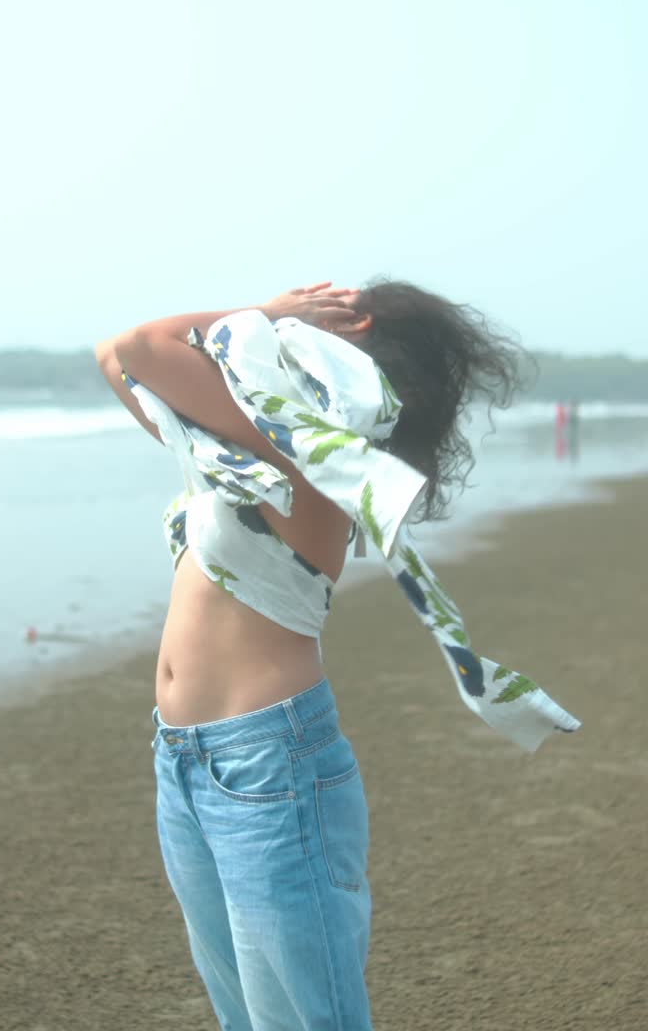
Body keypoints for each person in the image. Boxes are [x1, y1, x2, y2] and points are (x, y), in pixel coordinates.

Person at [94, 277, 578, 1031]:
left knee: (304, 1018)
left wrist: (265, 309)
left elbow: (140, 347)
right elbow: (113, 358)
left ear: (350, 338)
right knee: (243, 1013)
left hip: (270, 764)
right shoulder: (234, 450)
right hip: (184, 758)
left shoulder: (317, 456)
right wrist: (263, 316)